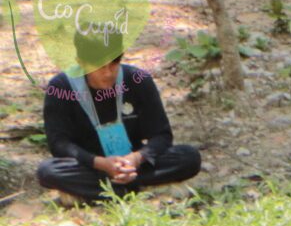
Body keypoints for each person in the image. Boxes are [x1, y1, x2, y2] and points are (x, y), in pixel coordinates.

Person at [39, 33, 202, 204]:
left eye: (114, 63)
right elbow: (59, 144)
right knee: (47, 172)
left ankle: (109, 190)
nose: (108, 73)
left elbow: (162, 135)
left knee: (189, 157)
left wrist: (136, 158)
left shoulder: (138, 81)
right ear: (81, 62)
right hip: (91, 165)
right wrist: (101, 163)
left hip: (133, 164)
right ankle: (130, 188)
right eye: (100, 66)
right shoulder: (61, 87)